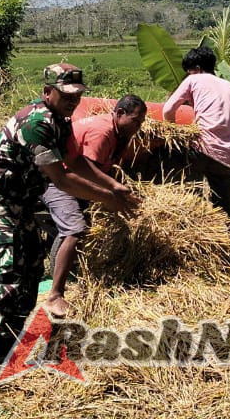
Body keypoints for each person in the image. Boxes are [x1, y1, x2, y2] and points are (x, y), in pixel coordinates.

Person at [0, 63, 140, 378]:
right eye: (66, 95)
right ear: (48, 92)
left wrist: (113, 186)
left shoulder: (62, 122)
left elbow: (74, 160)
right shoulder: (37, 122)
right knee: (9, 277)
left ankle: (14, 349)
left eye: (77, 95)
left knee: (33, 270)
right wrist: (108, 199)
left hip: (20, 201)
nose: (73, 101)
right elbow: (61, 179)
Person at [42, 94, 147, 317]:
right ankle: (55, 295)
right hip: (56, 179)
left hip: (71, 177)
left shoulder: (121, 133)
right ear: (120, 114)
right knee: (75, 229)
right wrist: (110, 194)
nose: (138, 127)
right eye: (136, 121)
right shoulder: (103, 132)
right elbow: (83, 171)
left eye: (141, 122)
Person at [163, 46, 230, 247]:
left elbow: (167, 110)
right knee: (229, 211)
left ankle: (191, 248)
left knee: (190, 203)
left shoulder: (193, 80)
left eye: (189, 70)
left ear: (197, 68)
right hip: (227, 157)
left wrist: (174, 133)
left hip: (199, 150)